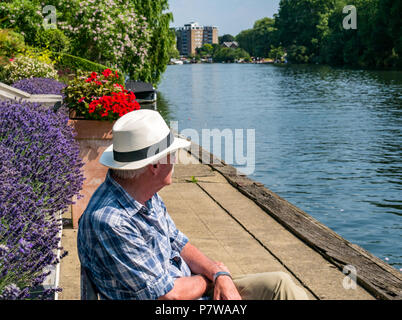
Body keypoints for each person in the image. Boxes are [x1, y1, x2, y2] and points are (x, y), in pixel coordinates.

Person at [77, 110, 308, 300]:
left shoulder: (141, 193)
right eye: (172, 153)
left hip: (193, 289)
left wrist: (218, 273)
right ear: (154, 166)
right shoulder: (112, 222)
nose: (176, 159)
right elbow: (168, 295)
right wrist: (211, 279)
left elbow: (179, 242)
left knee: (282, 285)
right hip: (181, 297)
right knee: (283, 291)